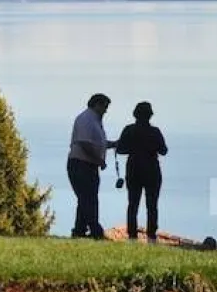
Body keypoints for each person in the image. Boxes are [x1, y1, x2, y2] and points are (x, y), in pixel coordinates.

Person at [116, 101, 167, 243]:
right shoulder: (155, 132)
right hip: (152, 170)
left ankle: (132, 235)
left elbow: (120, 149)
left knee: (132, 203)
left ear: (135, 115)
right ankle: (151, 235)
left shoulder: (128, 130)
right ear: (150, 115)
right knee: (152, 205)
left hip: (133, 169)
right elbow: (164, 151)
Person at [67, 93, 117, 239]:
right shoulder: (87, 119)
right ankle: (96, 231)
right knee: (88, 199)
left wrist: (112, 144)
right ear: (97, 105)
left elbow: (96, 143)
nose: (106, 111)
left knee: (85, 199)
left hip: (87, 165)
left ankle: (79, 230)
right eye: (105, 107)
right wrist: (99, 160)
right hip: (81, 165)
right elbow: (84, 143)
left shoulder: (94, 120)